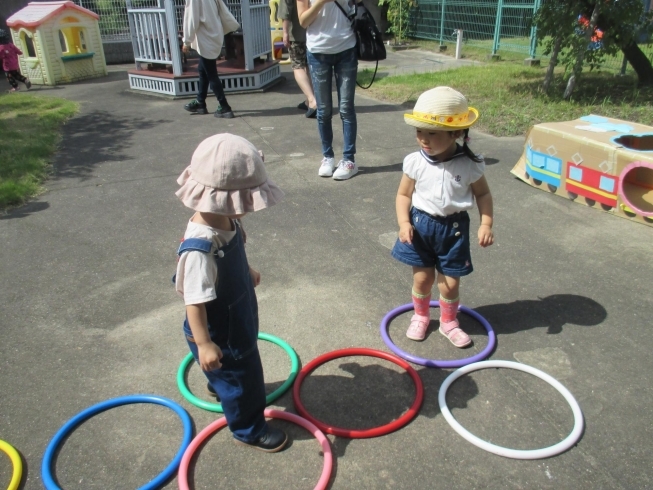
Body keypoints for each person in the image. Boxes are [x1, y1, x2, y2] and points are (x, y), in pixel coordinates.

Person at [174, 133, 287, 451]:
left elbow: (232, 254)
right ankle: (249, 429)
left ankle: (222, 385)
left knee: (233, 374)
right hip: (218, 332)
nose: (248, 208)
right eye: (245, 201)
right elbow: (193, 302)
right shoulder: (200, 247)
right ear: (223, 199)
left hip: (234, 313)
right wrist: (206, 344)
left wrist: (245, 271)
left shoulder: (224, 220)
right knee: (244, 378)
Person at [391, 87, 494, 348]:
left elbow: (483, 195)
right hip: (420, 226)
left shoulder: (470, 164)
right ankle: (421, 316)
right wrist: (404, 222)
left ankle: (449, 322)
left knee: (448, 284)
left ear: (456, 133)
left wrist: (486, 223)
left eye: (432, 133)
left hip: (454, 229)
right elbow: (403, 195)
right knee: (422, 278)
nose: (424, 139)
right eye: (419, 132)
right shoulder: (415, 162)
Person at [297, 0, 359, 180]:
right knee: (323, 110)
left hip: (346, 47)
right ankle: (328, 157)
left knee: (346, 108)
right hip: (317, 51)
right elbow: (303, 21)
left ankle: (349, 160)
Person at [181, 0, 236, 118]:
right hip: (214, 34)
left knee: (211, 73)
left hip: (206, 38)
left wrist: (186, 41)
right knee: (203, 70)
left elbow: (191, 18)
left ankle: (224, 106)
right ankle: (200, 102)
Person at [278, 0, 317, 118]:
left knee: (298, 66)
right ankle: (309, 100)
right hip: (313, 32)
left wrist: (285, 32)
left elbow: (286, 12)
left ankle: (311, 100)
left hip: (295, 33)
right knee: (310, 66)